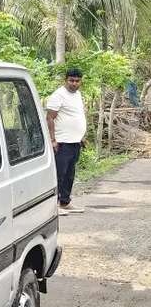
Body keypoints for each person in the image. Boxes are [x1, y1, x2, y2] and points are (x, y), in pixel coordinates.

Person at [46, 68, 87, 216]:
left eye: (77, 81)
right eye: (71, 80)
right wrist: (52, 140)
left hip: (74, 142)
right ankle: (53, 206)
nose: (74, 83)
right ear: (66, 80)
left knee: (70, 173)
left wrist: (81, 136)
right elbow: (50, 117)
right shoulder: (59, 95)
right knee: (59, 174)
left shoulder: (78, 95)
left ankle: (65, 202)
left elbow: (77, 115)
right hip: (62, 142)